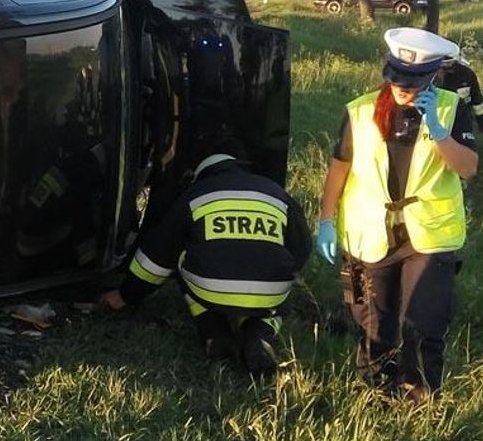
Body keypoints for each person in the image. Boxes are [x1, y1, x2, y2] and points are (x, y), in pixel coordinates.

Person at [317, 27, 477, 403]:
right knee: (374, 321)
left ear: (435, 75)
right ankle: (375, 390)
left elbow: (468, 168)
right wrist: (325, 220)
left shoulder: (452, 109)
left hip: (428, 234)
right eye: (397, 81)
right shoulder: (359, 110)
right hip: (369, 232)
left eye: (414, 82)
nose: (403, 89)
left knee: (424, 322)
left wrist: (439, 132)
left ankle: (419, 396)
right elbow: (338, 168)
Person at [100, 137, 312, 377]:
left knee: (180, 256)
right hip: (269, 292)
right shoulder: (275, 192)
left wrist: (126, 295)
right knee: (279, 298)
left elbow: (155, 258)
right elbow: (302, 247)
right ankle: (259, 334)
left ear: (199, 170)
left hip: (210, 289)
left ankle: (214, 333)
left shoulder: (195, 195)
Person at [434, 43, 483, 132]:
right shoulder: (428, 74)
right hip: (435, 122)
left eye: (449, 62)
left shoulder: (467, 75)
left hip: (461, 124)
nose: (445, 67)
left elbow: (477, 101)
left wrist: (481, 122)